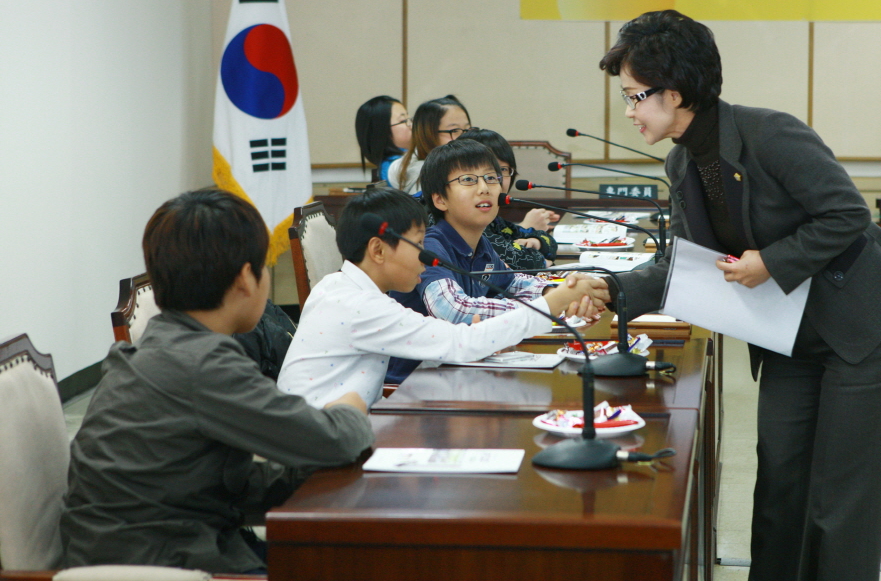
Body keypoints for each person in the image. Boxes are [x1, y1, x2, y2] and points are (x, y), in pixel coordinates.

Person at [599, 10, 881, 581]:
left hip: (856, 325)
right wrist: (609, 289)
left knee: (840, 497)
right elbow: (688, 263)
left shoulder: (769, 132)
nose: (628, 112)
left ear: (673, 93)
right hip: (788, 332)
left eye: (634, 96)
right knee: (780, 481)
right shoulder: (683, 162)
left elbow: (847, 213)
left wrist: (771, 262)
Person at [60, 190, 374, 575]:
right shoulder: (203, 365)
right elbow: (336, 438)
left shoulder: (162, 346)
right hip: (159, 564)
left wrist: (311, 466)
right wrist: (350, 410)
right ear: (246, 278)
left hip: (148, 544)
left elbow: (224, 479)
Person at [277, 187, 600, 407]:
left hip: (340, 428)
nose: (426, 256)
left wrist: (477, 340)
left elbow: (453, 345)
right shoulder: (359, 306)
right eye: (418, 244)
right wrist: (556, 302)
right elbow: (461, 343)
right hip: (319, 451)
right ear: (377, 250)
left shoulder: (339, 287)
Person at [387, 140, 609, 380]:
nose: (485, 188)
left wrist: (561, 291)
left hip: (457, 372)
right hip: (412, 383)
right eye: (468, 180)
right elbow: (453, 309)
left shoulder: (481, 244)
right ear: (440, 199)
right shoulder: (430, 245)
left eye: (491, 178)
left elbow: (515, 283)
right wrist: (550, 306)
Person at [457, 127, 559, 270]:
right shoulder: (463, 219)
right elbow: (520, 261)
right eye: (486, 173)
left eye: (503, 170)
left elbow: (550, 243)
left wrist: (536, 241)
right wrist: (542, 262)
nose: (493, 180)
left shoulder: (494, 220)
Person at [387, 94, 471, 193]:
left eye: (467, 129)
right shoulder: (423, 174)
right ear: (428, 134)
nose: (465, 137)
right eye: (454, 130)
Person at [355, 95, 413, 183]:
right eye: (403, 121)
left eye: (409, 119)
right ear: (381, 131)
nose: (411, 125)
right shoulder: (397, 167)